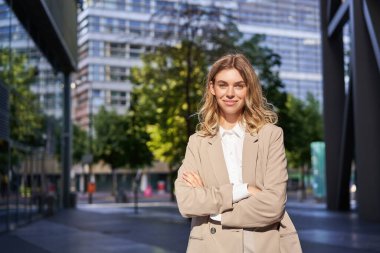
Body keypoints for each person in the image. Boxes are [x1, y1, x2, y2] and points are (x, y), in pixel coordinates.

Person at [175, 54, 302, 253]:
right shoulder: (198, 142)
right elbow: (186, 202)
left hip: (263, 244)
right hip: (212, 246)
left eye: (239, 85)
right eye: (223, 85)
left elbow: (274, 205)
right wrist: (244, 190)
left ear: (248, 89)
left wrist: (216, 211)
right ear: (212, 88)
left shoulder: (271, 135)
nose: (230, 93)